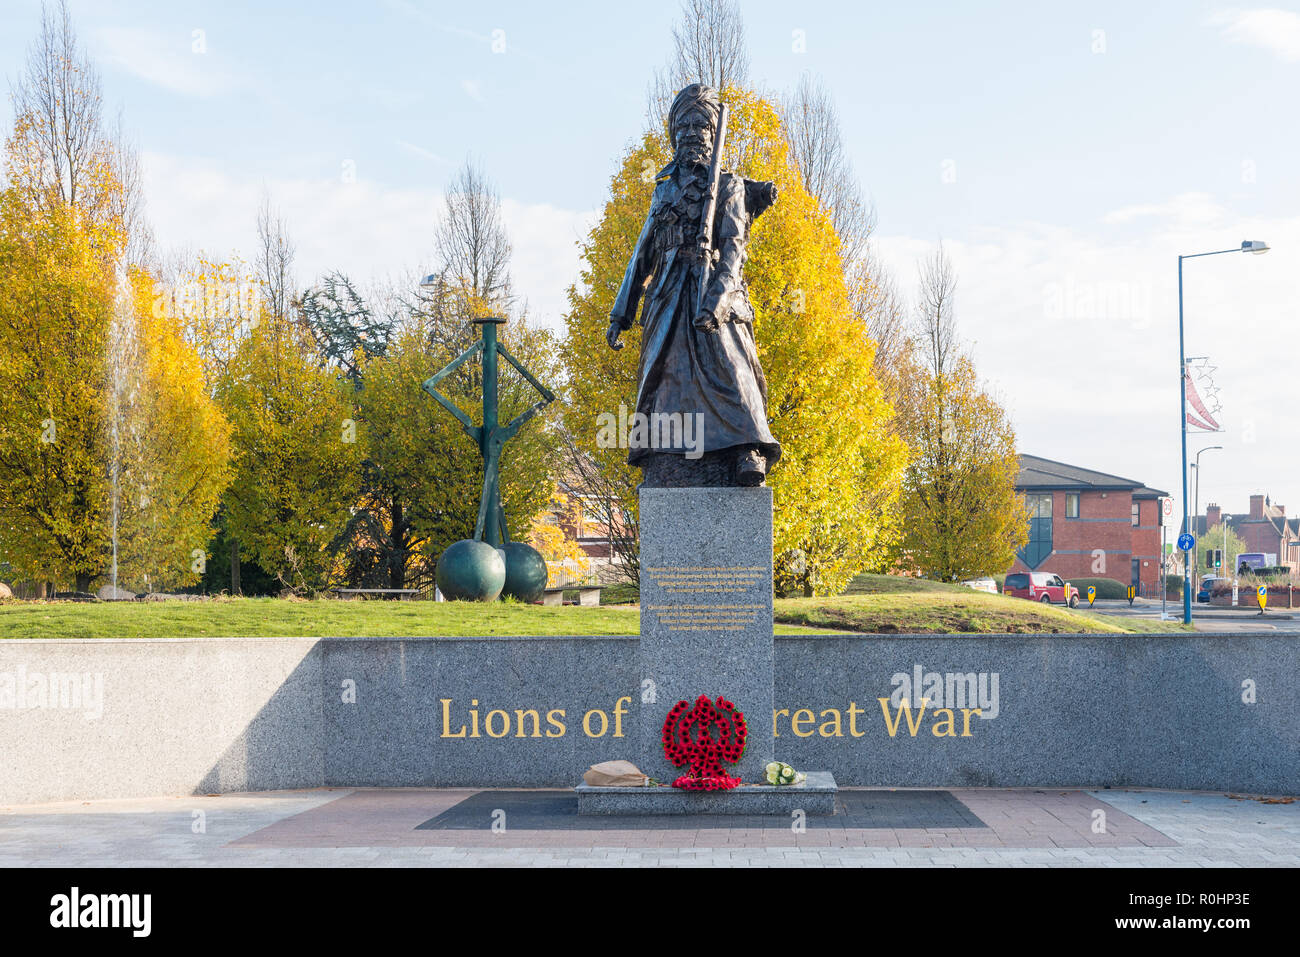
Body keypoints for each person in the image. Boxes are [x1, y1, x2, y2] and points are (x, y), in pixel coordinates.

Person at [606, 83, 781, 488]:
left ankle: (747, 448)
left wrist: (717, 304)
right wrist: (622, 313)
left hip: (714, 287)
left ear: (712, 131)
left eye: (701, 125)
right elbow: (643, 252)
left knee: (729, 365)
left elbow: (734, 250)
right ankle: (666, 458)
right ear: (673, 134)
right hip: (667, 294)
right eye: (683, 125)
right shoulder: (664, 189)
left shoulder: (730, 186)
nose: (691, 133)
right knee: (663, 378)